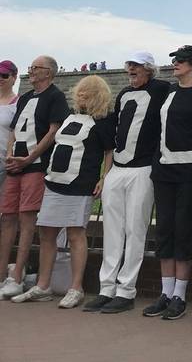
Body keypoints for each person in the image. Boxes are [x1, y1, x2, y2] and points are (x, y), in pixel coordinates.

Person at [11, 75, 114, 307]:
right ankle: (43, 285)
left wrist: (103, 178)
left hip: (80, 184)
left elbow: (109, 152)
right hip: (55, 181)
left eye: (87, 91)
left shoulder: (104, 121)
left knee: (76, 234)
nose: (81, 94)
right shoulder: (69, 115)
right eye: (80, 91)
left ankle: (75, 287)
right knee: (47, 233)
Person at [83, 52, 169, 314]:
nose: (130, 69)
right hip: (118, 168)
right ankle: (106, 288)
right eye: (128, 65)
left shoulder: (162, 89)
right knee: (112, 229)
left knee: (135, 229)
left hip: (143, 169)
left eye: (135, 65)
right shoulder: (123, 95)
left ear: (148, 69)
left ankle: (126, 290)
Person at [143, 46, 192, 321]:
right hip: (164, 168)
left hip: (190, 169)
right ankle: (165, 291)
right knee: (164, 229)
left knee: (184, 230)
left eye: (181, 60)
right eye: (174, 60)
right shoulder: (169, 91)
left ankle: (180, 295)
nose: (175, 63)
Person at [0, 56, 69, 298]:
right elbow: (15, 130)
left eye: (36, 68)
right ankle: (2, 275)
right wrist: (10, 154)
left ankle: (17, 276)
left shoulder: (55, 96)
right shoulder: (26, 97)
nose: (31, 71)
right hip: (15, 166)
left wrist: (30, 158)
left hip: (35, 166)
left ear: (48, 72)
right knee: (8, 218)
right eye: (30, 67)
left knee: (27, 219)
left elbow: (53, 131)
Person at [0, 61, 19, 199]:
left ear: (14, 77)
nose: (0, 78)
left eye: (4, 75)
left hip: (2, 162)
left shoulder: (18, 103)